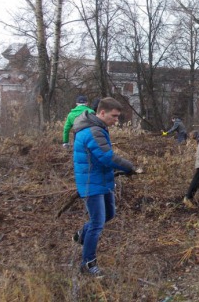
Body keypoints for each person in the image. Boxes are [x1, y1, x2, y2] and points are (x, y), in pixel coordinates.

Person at [71, 97, 141, 277]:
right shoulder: (92, 131)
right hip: (91, 183)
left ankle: (81, 235)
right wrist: (130, 166)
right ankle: (88, 264)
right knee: (97, 223)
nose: (116, 120)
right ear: (102, 113)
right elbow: (106, 157)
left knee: (109, 214)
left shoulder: (98, 128)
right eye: (114, 116)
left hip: (102, 180)